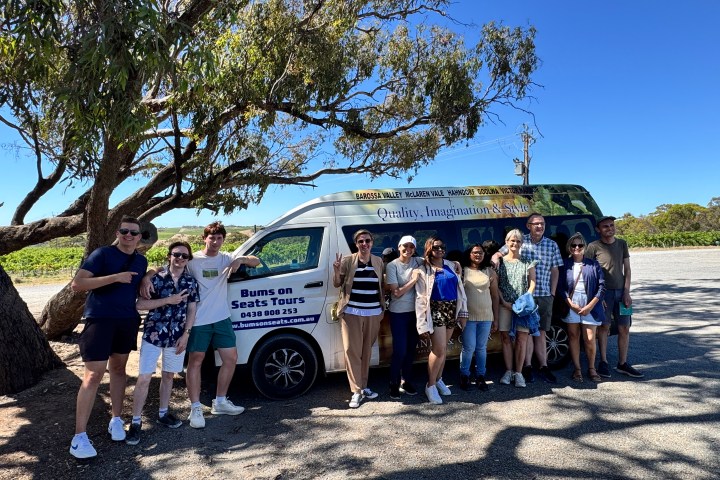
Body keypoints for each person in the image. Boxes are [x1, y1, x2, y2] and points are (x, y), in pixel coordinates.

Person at [141, 222, 260, 428]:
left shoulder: (226, 258)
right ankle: (195, 408)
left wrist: (240, 259)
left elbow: (256, 261)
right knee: (196, 361)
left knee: (231, 358)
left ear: (223, 239)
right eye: (211, 238)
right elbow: (165, 266)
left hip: (222, 318)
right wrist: (147, 277)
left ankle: (220, 401)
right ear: (204, 238)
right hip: (198, 321)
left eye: (219, 238)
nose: (215, 242)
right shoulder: (193, 260)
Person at [69, 216, 149, 459]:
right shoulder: (102, 254)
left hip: (126, 321)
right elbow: (78, 284)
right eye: (124, 231)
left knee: (119, 370)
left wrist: (147, 276)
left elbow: (142, 280)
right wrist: (114, 277)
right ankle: (78, 437)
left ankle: (116, 419)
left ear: (139, 237)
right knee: (93, 375)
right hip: (100, 320)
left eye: (134, 233)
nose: (129, 235)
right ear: (118, 232)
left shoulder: (141, 260)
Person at [126, 241, 199, 445]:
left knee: (168, 376)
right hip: (154, 334)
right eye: (176, 254)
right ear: (169, 256)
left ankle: (163, 413)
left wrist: (186, 334)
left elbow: (192, 309)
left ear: (188, 259)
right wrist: (168, 300)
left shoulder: (191, 283)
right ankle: (136, 422)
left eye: (184, 256)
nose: (180, 258)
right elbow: (140, 304)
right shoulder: (155, 279)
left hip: (176, 336)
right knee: (144, 378)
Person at [499, 213, 563, 383]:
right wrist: (494, 257)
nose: (539, 226)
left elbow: (555, 270)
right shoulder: (519, 240)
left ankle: (543, 366)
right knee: (524, 335)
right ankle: (527, 367)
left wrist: (553, 292)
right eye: (536, 224)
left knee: (541, 332)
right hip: (523, 298)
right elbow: (501, 253)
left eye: (542, 223)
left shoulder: (552, 244)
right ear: (528, 225)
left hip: (543, 294)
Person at [333, 229, 386, 408]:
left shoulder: (378, 261)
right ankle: (355, 390)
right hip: (352, 313)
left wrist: (380, 310)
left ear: (372, 242)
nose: (364, 244)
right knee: (351, 351)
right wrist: (336, 270)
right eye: (361, 241)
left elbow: (381, 286)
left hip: (373, 313)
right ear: (356, 244)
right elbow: (337, 284)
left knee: (366, 352)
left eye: (367, 241)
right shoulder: (348, 261)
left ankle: (364, 387)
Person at [585, 216, 644, 378]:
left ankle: (622, 363)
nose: (609, 228)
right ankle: (603, 362)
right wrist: (597, 296)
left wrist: (627, 292)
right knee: (604, 327)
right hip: (603, 294)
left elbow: (628, 270)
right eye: (605, 226)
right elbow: (589, 273)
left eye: (611, 225)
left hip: (621, 293)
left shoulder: (622, 244)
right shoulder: (593, 247)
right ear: (598, 229)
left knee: (624, 327)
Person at [416, 236, 467, 404]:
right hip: (435, 309)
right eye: (436, 247)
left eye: (442, 247)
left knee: (444, 349)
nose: (440, 250)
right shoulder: (424, 268)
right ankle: (430, 385)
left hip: (452, 308)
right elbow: (421, 298)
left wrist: (463, 313)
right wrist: (421, 323)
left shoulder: (452, 265)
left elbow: (460, 290)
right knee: (437, 350)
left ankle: (438, 379)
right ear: (429, 249)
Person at [560, 233, 605, 383]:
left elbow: (601, 286)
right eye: (574, 245)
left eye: (580, 245)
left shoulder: (593, 264)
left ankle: (591, 368)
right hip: (571, 304)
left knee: (590, 339)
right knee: (573, 336)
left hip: (590, 304)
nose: (577, 248)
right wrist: (570, 303)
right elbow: (561, 287)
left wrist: (590, 306)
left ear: (585, 247)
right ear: (569, 248)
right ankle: (577, 369)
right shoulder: (565, 264)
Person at [496, 229, 537, 388]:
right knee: (506, 338)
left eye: (518, 241)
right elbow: (497, 284)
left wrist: (525, 298)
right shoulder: (500, 263)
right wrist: (504, 301)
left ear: (522, 243)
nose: (515, 243)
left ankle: (519, 373)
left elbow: (532, 282)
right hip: (504, 305)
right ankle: (508, 370)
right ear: (506, 242)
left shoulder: (528, 261)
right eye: (512, 240)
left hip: (523, 307)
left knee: (522, 339)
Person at [385, 235, 423, 399]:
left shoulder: (418, 261)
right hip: (398, 313)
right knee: (399, 350)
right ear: (399, 247)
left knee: (410, 351)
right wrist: (414, 280)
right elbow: (397, 292)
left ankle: (406, 381)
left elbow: (438, 259)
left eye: (411, 247)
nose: (408, 250)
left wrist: (456, 263)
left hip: (415, 313)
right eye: (405, 246)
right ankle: (393, 383)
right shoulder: (392, 266)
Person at [459, 244, 499, 391]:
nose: (478, 255)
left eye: (481, 252)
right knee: (469, 348)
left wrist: (496, 318)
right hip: (468, 317)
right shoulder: (463, 271)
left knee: (481, 348)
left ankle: (480, 376)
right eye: (475, 252)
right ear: (469, 254)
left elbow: (495, 296)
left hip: (486, 316)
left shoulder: (489, 271)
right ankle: (464, 375)